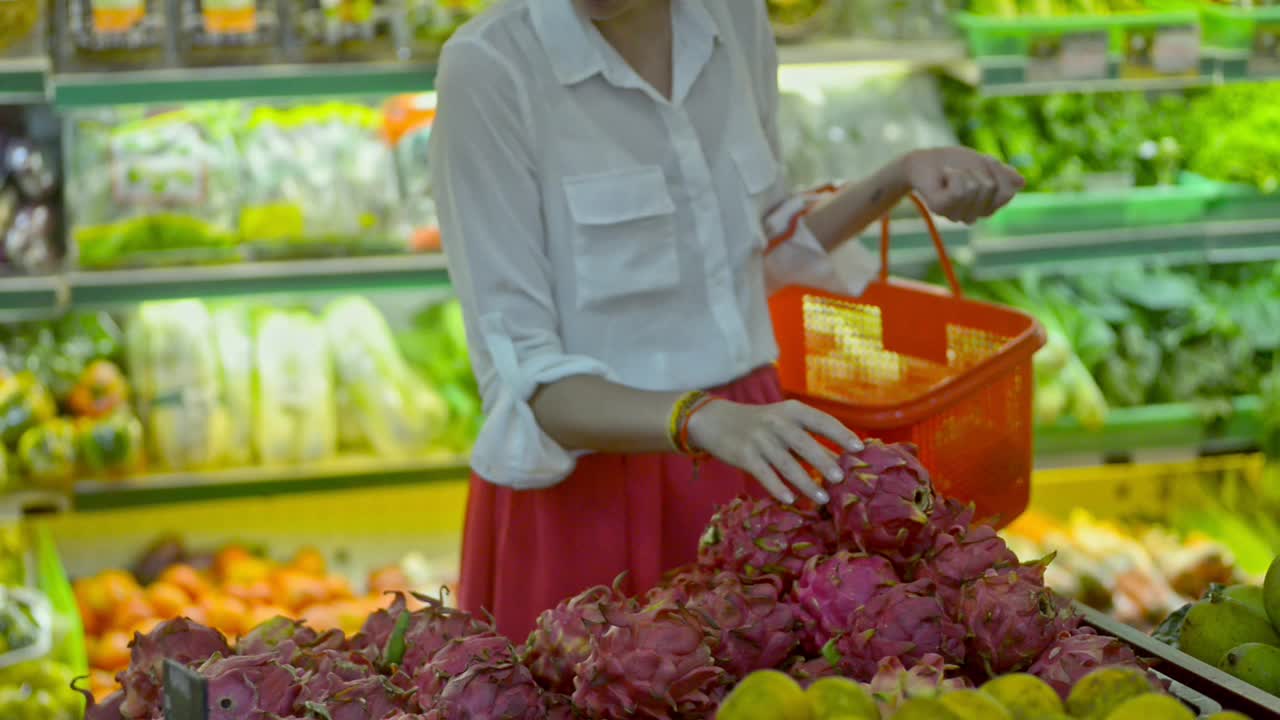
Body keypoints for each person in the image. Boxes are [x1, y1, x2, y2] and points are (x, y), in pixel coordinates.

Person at [429, 0, 1024, 640]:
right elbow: (525, 381)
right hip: (588, 496)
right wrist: (702, 418)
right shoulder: (490, 67)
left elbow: (754, 248)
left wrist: (901, 175)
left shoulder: (734, 19)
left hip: (750, 459)